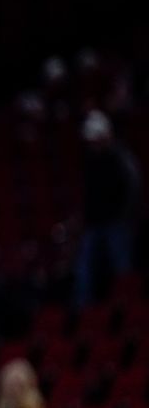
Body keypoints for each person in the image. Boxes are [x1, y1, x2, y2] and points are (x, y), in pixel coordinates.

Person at [72, 108, 141, 307]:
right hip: (93, 222)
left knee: (122, 267)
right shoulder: (90, 159)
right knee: (84, 268)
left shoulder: (120, 158)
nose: (93, 143)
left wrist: (125, 216)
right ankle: (82, 308)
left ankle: (129, 304)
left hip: (116, 221)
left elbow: (132, 188)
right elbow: (88, 192)